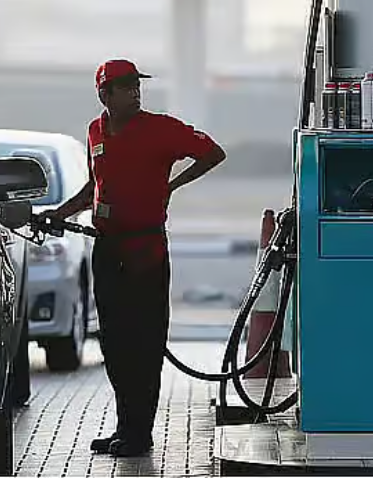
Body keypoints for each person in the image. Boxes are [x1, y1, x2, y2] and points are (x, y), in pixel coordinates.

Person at [44, 59, 226, 457]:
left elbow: (213, 153)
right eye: (125, 86)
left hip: (146, 252)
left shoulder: (161, 129)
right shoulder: (95, 131)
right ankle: (125, 426)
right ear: (104, 94)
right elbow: (94, 186)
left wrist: (170, 186)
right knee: (113, 344)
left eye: (136, 85)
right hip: (108, 249)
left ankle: (139, 433)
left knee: (144, 344)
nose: (134, 92)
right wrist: (60, 212)